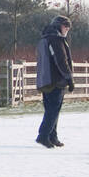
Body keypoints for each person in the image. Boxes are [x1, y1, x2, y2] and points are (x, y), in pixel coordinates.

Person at [35, 15, 74, 148]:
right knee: (53, 109)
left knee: (51, 109)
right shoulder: (56, 40)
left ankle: (52, 136)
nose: (67, 29)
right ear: (59, 26)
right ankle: (43, 135)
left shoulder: (44, 39)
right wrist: (69, 78)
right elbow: (61, 61)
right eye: (65, 26)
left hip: (45, 79)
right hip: (55, 80)